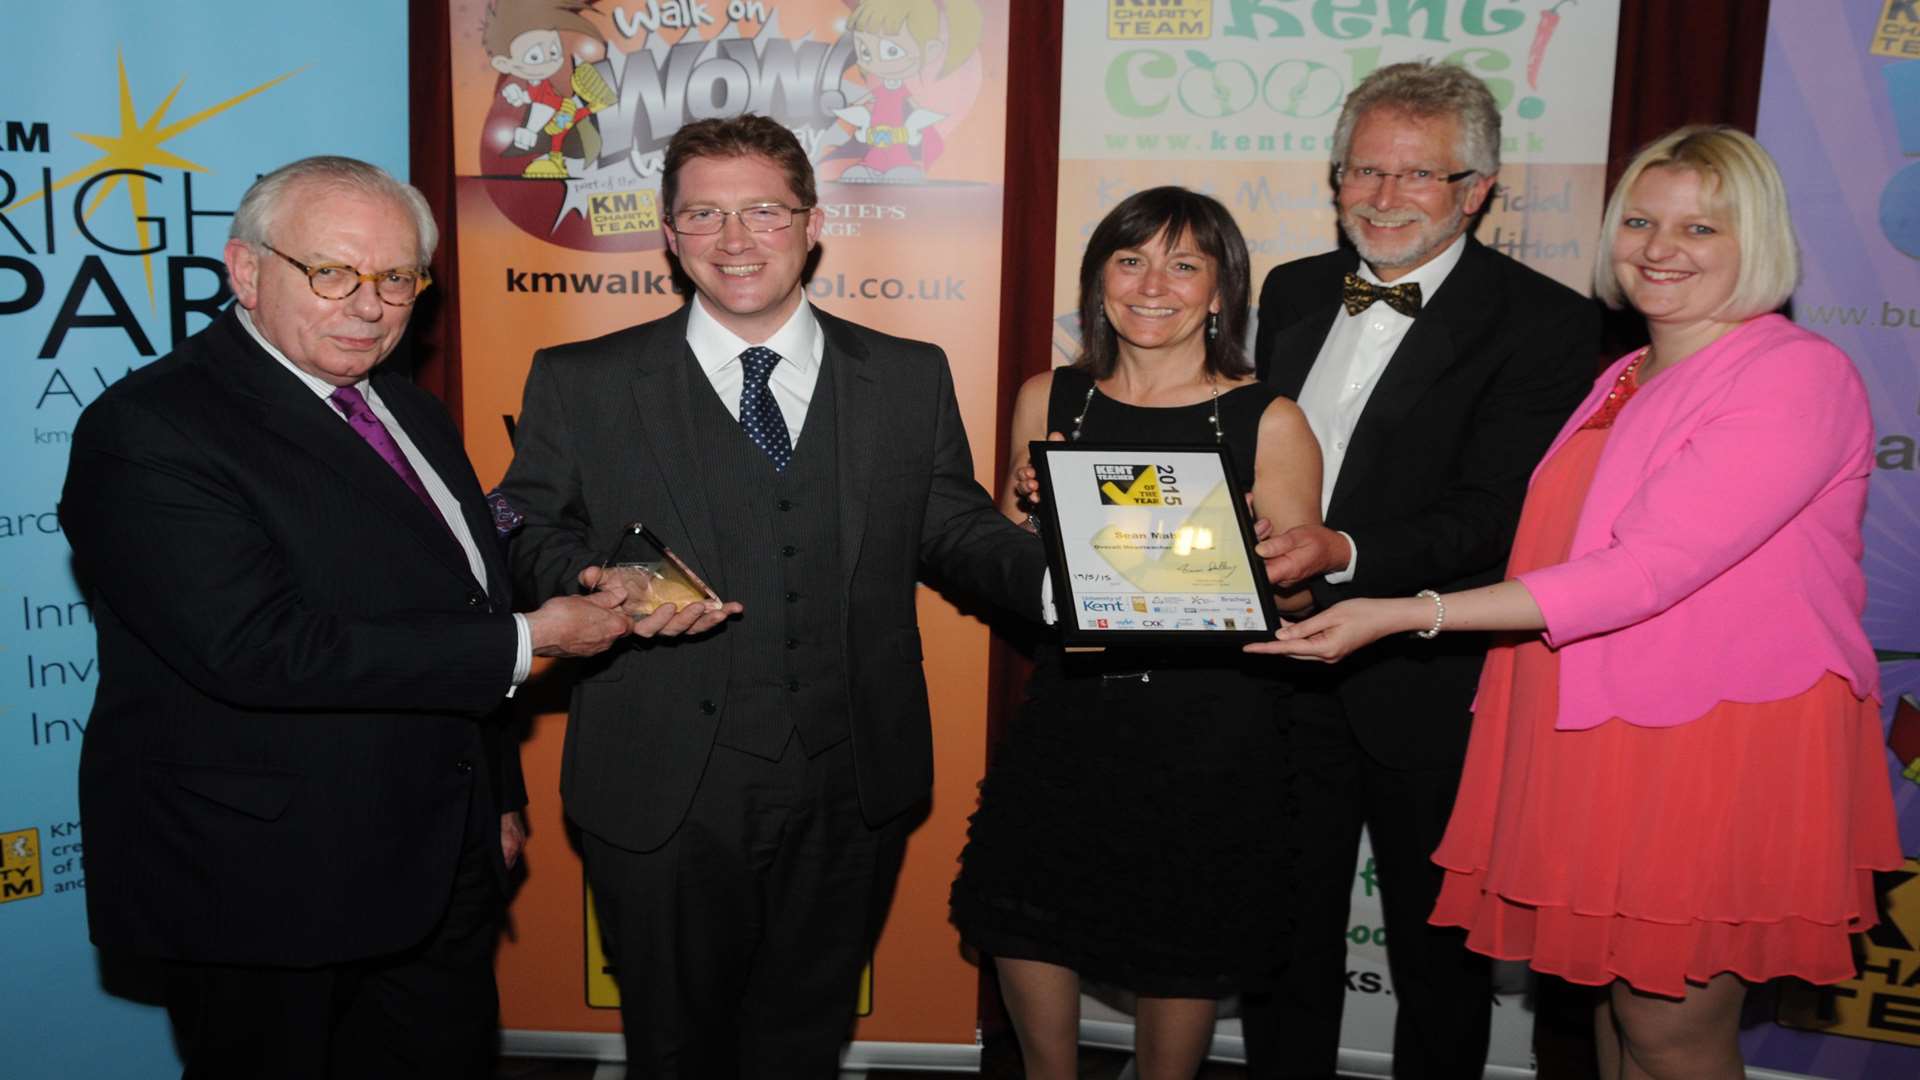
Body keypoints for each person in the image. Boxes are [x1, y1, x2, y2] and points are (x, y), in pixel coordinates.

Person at [1253, 124, 1904, 1080]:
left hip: (1711, 740)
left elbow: (1643, 572)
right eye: (1640, 219)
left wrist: (1403, 611)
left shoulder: (1790, 374)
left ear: (1756, 240)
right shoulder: (1625, 375)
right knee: (1622, 1024)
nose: (1658, 247)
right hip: (1605, 729)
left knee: (1672, 1032)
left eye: (1700, 229)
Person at [494, 113, 1047, 1074]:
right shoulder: (584, 380)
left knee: (803, 1041)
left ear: (812, 222)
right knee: (676, 1047)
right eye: (703, 216)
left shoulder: (909, 377)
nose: (735, 240)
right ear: (668, 235)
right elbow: (526, 525)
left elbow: (952, 528)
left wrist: (1084, 584)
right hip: (658, 778)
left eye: (762, 211)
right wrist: (584, 577)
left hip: (850, 774)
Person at [60, 156, 633, 1079]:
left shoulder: (407, 407)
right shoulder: (151, 430)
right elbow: (255, 650)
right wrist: (534, 640)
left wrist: (495, 796)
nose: (368, 305)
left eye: (396, 277)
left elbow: (460, 600)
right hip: (263, 883)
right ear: (245, 271)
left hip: (436, 864)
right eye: (331, 271)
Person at [1240, 61, 1599, 1078]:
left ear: (1476, 190)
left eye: (1418, 177)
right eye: (1364, 171)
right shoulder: (1296, 287)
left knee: (1439, 964)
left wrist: (1343, 554)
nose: (1385, 197)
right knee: (1281, 942)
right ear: (1336, 174)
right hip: (1280, 666)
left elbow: (1492, 516)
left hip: (1431, 682)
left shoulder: (1547, 323)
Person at [950, 186, 1322, 1079]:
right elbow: (1016, 562)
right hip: (1072, 714)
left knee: (1181, 939)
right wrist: (1032, 518)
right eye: (1131, 260)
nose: (1154, 284)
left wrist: (1259, 557)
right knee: (1022, 913)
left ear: (1222, 291)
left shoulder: (1267, 419)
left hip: (1208, 732)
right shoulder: (1052, 397)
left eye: (1185, 264)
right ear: (1099, 282)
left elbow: (1303, 603)